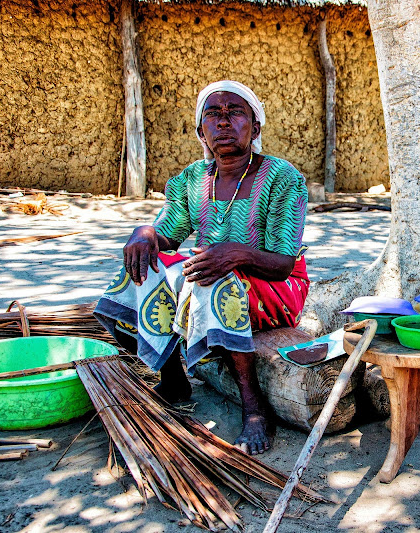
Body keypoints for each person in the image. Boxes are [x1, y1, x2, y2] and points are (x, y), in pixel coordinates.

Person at [95, 80, 309, 455]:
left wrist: (237, 254)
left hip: (276, 285)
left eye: (235, 113)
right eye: (213, 114)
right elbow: (165, 238)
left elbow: (283, 263)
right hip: (213, 277)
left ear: (255, 128)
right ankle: (173, 377)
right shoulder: (193, 180)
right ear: (201, 132)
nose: (223, 122)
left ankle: (254, 406)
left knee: (211, 277)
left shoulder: (281, 178)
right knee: (141, 270)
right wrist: (143, 232)